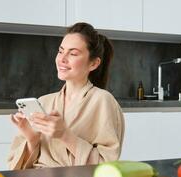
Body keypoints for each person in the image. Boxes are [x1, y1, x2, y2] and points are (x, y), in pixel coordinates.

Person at [8, 22, 125, 169]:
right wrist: (32, 138)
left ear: (94, 64)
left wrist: (65, 135)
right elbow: (19, 168)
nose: (62, 59)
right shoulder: (44, 101)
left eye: (73, 53)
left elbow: (108, 166)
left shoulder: (103, 101)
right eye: (60, 51)